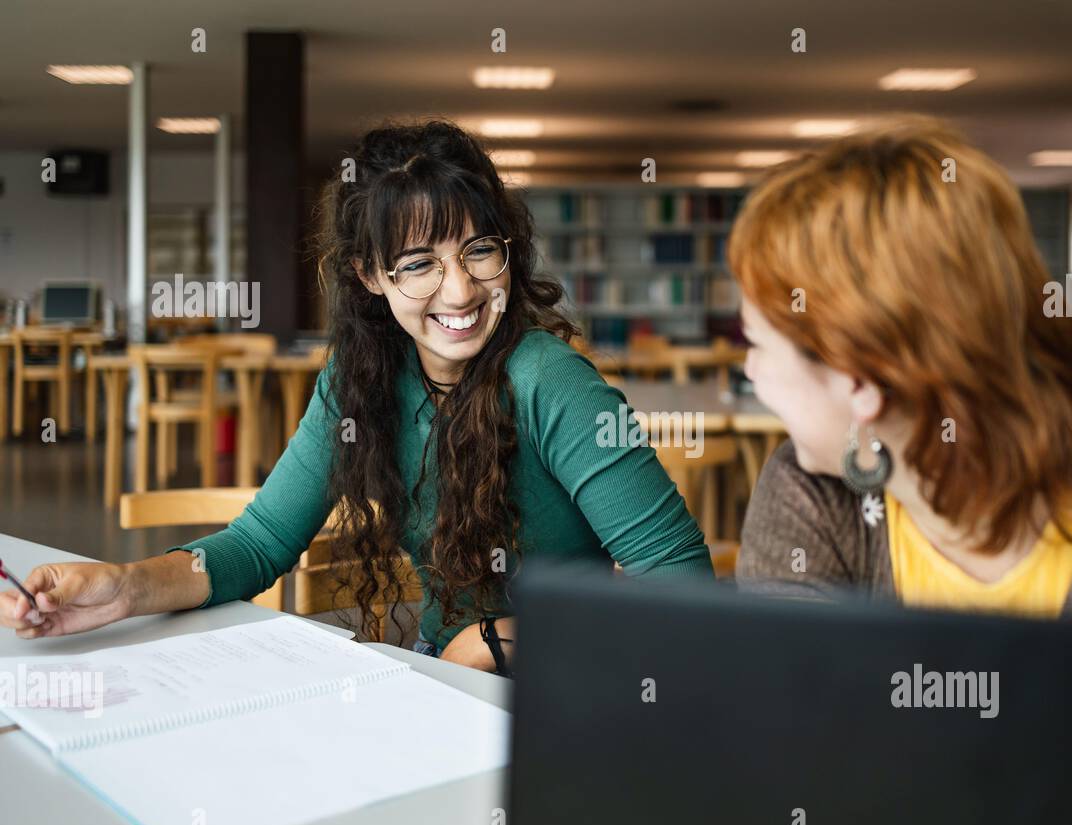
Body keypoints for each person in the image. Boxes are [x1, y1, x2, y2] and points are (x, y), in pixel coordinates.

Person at [2, 120, 713, 670]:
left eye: (479, 251)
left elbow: (682, 591)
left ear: (509, 251)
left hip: (571, 683)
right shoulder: (359, 380)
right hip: (449, 674)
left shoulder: (549, 381)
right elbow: (259, 543)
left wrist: (493, 641)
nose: (460, 290)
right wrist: (122, 587)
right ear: (369, 274)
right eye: (418, 264)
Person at [729, 114, 1072, 627]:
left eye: (757, 344)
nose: (750, 371)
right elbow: (790, 723)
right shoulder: (812, 498)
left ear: (859, 382)